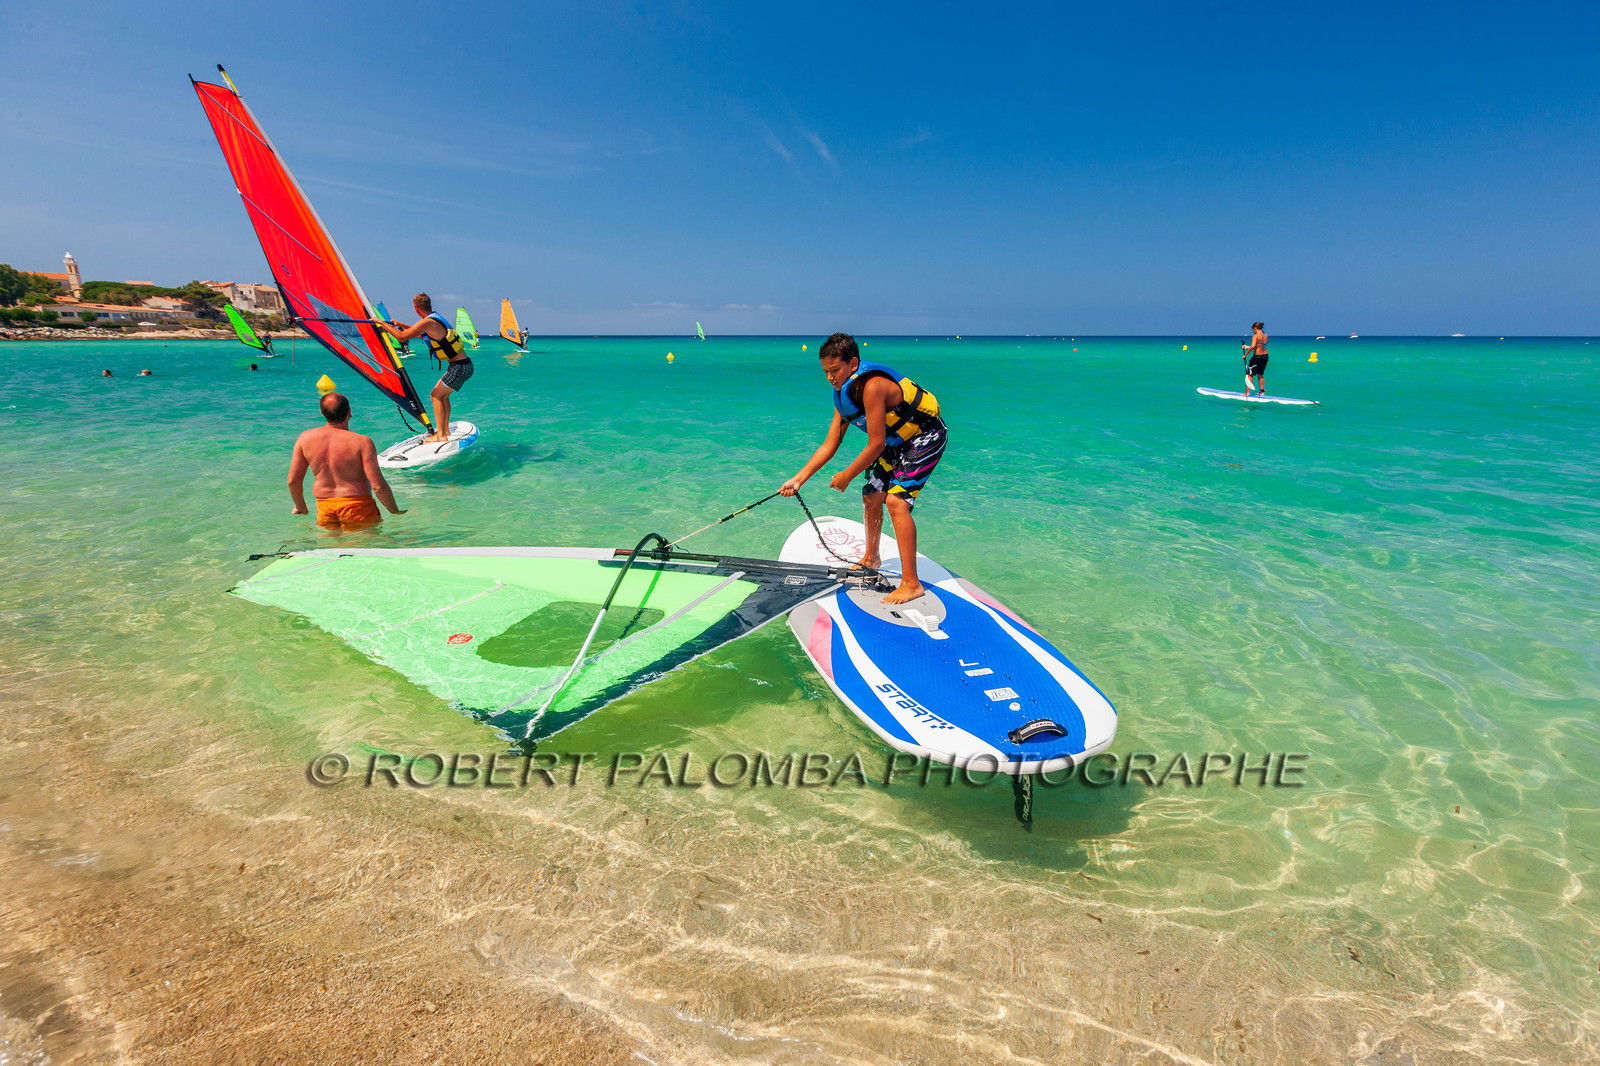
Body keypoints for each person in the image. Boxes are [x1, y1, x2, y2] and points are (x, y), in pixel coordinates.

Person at [780, 332, 947, 605]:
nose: (831, 378)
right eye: (826, 372)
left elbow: (876, 444)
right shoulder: (843, 395)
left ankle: (911, 583)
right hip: (896, 443)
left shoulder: (872, 387)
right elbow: (830, 444)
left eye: (835, 370)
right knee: (871, 496)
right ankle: (871, 558)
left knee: (896, 503)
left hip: (924, 436)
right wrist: (798, 480)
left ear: (853, 363)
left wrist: (847, 476)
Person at [288, 392, 406, 528]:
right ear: (349, 412)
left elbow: (293, 481)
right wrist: (395, 512)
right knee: (365, 547)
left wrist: (299, 506)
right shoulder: (362, 442)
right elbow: (378, 486)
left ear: (321, 412)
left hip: (325, 507)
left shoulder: (305, 439)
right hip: (357, 506)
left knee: (331, 548)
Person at [376, 293, 472, 443]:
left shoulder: (426, 322)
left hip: (459, 366)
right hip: (463, 365)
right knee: (442, 396)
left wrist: (381, 324)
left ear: (416, 308)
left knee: (436, 396)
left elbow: (401, 337)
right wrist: (400, 323)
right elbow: (422, 335)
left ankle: (441, 436)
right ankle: (444, 431)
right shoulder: (434, 318)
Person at [1242, 321, 1269, 395]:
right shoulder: (1265, 335)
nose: (1253, 332)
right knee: (1260, 374)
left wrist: (1246, 355)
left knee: (1250, 375)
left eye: (1252, 330)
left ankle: (1247, 393)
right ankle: (1261, 392)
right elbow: (1259, 346)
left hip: (1257, 357)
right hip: (1265, 356)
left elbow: (1253, 346)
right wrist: (1247, 347)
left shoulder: (1255, 336)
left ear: (1255, 328)